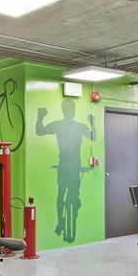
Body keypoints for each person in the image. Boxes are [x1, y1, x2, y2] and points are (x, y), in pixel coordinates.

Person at [36, 99, 95, 242]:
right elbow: (94, 137)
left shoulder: (58, 125)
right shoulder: (79, 126)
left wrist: (40, 117)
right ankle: (71, 208)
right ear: (73, 111)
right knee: (71, 193)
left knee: (61, 195)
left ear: (64, 111)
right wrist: (93, 122)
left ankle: (61, 222)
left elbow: (40, 131)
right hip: (74, 166)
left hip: (64, 165)